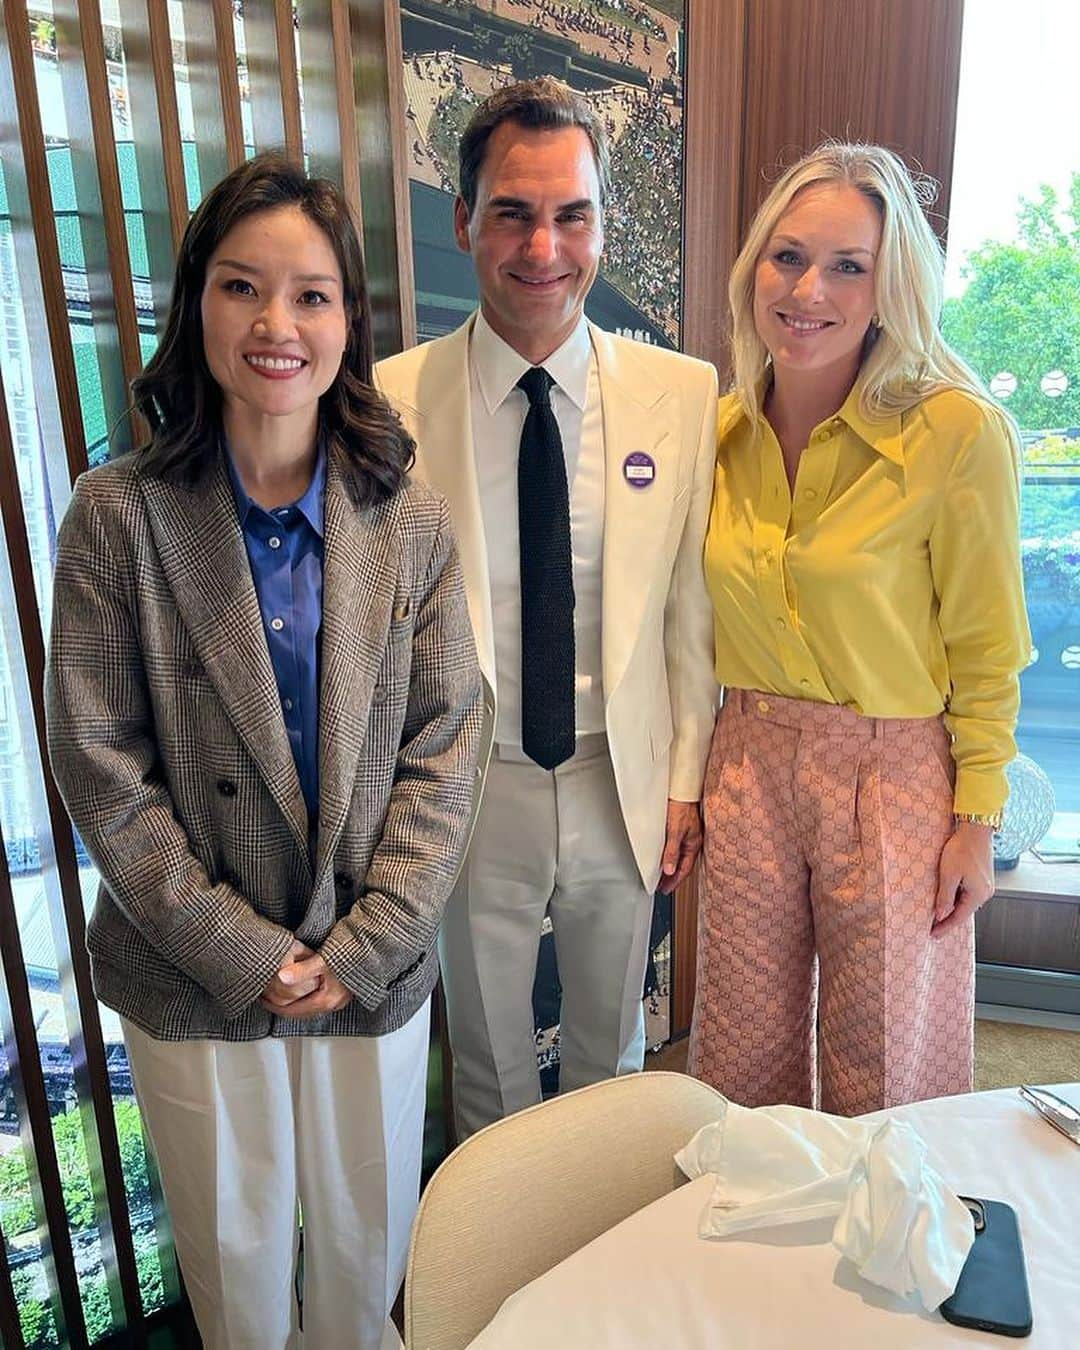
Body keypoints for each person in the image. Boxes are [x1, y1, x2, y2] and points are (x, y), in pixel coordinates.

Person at [45, 153, 481, 1350]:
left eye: (311, 294)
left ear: (350, 318)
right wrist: (245, 952)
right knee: (234, 1268)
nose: (277, 324)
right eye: (243, 288)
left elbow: (449, 739)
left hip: (368, 958)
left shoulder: (413, 518)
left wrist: (372, 938)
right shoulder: (117, 516)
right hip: (191, 970)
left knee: (366, 1248)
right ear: (198, 304)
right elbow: (98, 761)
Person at [377, 77, 718, 1139]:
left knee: (614, 1047)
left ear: (602, 224)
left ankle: (602, 1274)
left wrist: (686, 779)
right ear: (464, 220)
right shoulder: (389, 402)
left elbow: (688, 619)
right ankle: (501, 1274)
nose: (543, 247)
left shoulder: (683, 394)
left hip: (624, 773)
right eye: (514, 213)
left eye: (572, 214)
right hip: (473, 783)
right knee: (484, 1054)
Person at [689, 142, 1030, 1116]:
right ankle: (753, 1247)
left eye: (849, 266)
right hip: (748, 758)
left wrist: (977, 819)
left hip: (894, 772)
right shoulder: (718, 434)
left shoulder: (956, 433)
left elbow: (989, 646)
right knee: (739, 1057)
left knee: (883, 1064)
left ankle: (889, 1255)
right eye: (787, 256)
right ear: (753, 265)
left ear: (892, 288)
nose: (809, 289)